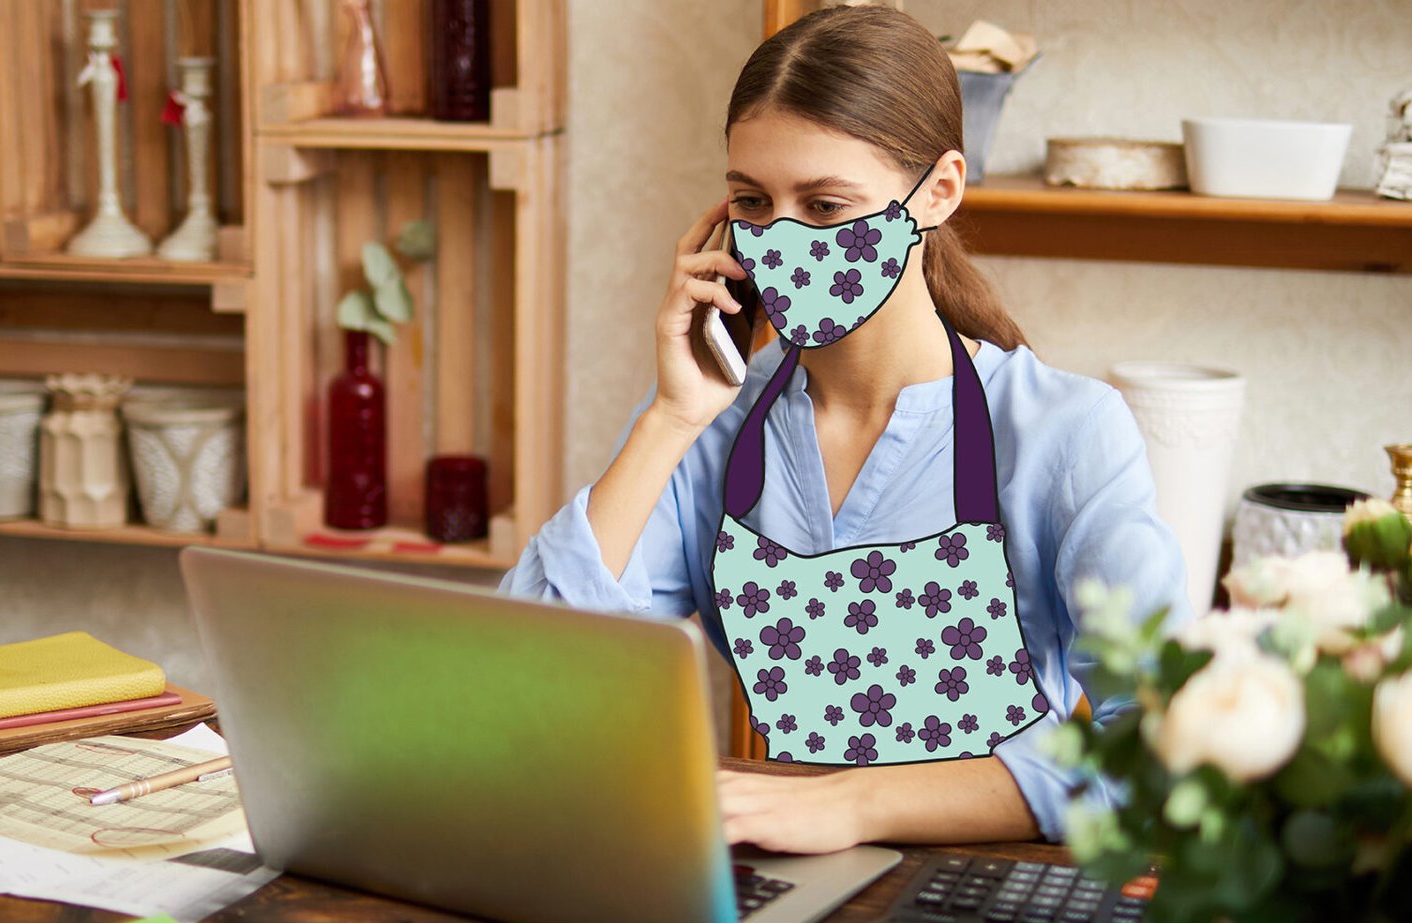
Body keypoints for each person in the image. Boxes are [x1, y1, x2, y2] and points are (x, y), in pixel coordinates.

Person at [502, 5, 1186, 854]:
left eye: (826, 205)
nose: (782, 240)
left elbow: (1164, 751)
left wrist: (856, 803)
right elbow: (529, 679)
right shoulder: (717, 421)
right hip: (783, 876)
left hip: (979, 884)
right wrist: (670, 417)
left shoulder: (1066, 431)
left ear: (938, 192)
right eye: (753, 202)